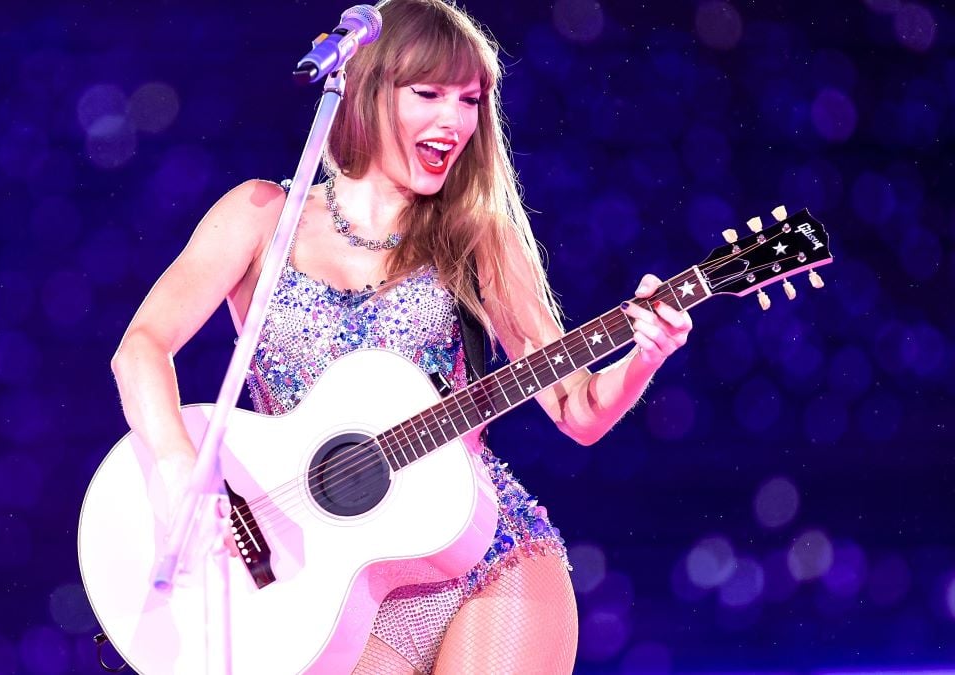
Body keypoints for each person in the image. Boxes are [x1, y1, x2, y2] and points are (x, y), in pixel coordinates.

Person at [110, 0, 692, 672]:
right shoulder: (261, 216)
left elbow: (576, 408)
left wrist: (644, 355)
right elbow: (141, 348)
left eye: (471, 100)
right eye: (430, 94)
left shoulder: (477, 237)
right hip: (332, 583)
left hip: (481, 560)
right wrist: (189, 475)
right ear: (364, 91)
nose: (455, 120)